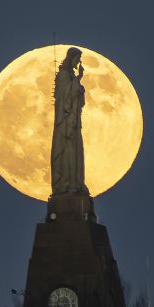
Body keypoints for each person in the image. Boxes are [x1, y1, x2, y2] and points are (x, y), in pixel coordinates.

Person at [50, 47, 90, 196]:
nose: (78, 62)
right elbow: (65, 98)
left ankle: (76, 183)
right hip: (65, 122)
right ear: (71, 58)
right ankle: (67, 183)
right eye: (77, 58)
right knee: (68, 151)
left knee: (76, 151)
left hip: (74, 121)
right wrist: (78, 81)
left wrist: (78, 82)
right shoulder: (63, 75)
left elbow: (77, 97)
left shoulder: (71, 76)